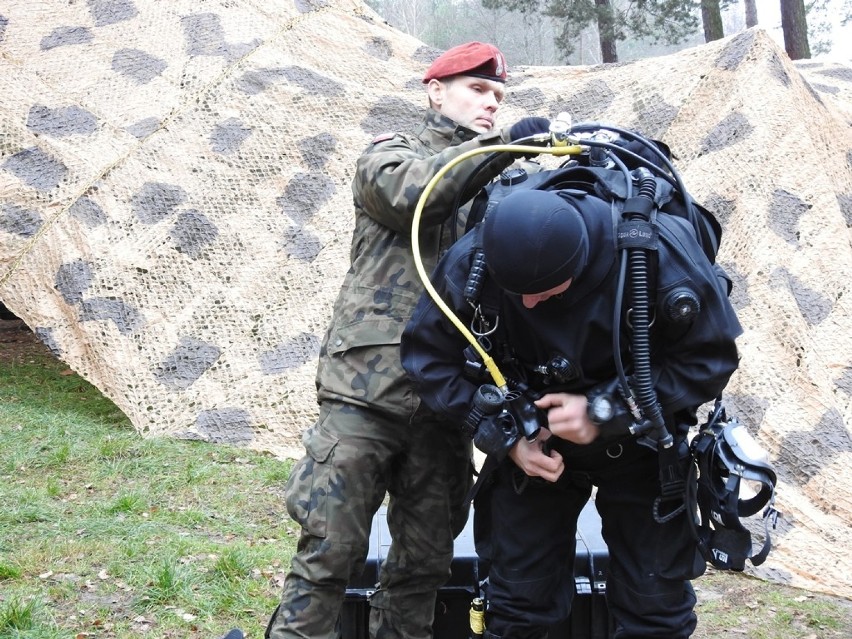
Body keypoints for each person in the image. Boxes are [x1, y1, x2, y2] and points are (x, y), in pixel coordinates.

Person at [263, 42, 553, 639]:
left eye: (498, 97)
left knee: (424, 564)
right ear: (435, 90)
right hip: (365, 393)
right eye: (477, 89)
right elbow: (417, 195)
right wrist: (496, 151)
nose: (490, 105)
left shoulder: (496, 187)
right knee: (330, 553)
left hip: (444, 402)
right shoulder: (390, 158)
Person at [400, 179, 744, 637]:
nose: (528, 302)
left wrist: (606, 411)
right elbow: (427, 356)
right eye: (516, 291)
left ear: (579, 264)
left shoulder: (656, 254)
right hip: (532, 446)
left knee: (655, 611)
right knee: (518, 606)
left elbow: (709, 359)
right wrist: (502, 434)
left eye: (544, 291)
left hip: (641, 445)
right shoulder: (476, 258)